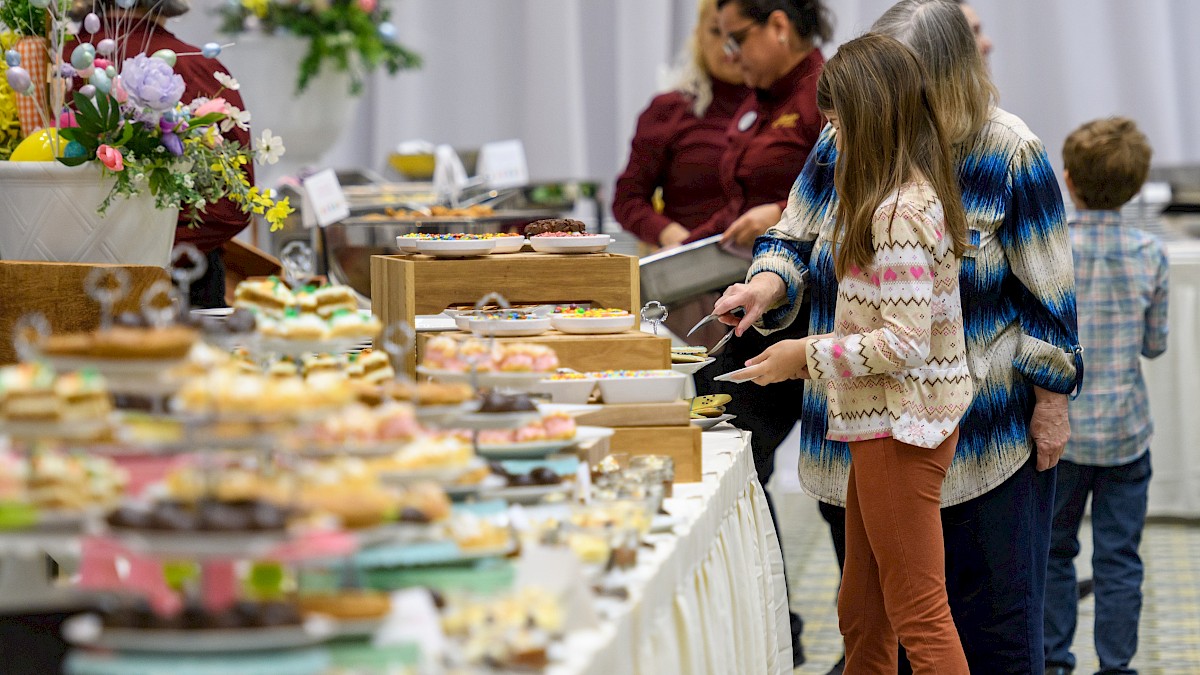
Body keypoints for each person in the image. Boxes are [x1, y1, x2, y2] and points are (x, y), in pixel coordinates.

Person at [712, 1, 1082, 673]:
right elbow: (794, 238)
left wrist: (1051, 402)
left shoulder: (1005, 153)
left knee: (972, 629)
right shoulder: (847, 139)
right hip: (858, 424)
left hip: (975, 440)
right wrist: (767, 283)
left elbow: (1049, 300)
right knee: (869, 611)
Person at [738, 33, 973, 673]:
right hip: (881, 426)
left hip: (902, 427)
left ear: (869, 119)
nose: (830, 138)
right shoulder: (890, 199)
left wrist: (802, 356)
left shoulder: (897, 212)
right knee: (862, 611)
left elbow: (903, 341)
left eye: (838, 123)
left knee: (918, 616)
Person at [689, 1, 832, 667]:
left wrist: (776, 213)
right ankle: (770, 613)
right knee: (720, 436)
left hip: (819, 318)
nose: (730, 51)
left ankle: (856, 639)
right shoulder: (757, 100)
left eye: (738, 36)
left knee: (837, 489)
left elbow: (842, 196)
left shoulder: (821, 98)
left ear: (780, 24)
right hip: (763, 304)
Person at [1044, 117, 1169, 675]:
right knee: (1120, 559)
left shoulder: (1053, 249)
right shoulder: (1150, 252)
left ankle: (1052, 660)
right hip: (1125, 433)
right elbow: (1154, 344)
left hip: (1061, 434)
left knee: (1053, 554)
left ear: (1067, 180)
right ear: (1138, 186)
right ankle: (1117, 666)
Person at [68, 0, 254, 309]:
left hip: (47, 281)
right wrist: (147, 251)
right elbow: (231, 204)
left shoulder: (48, 66)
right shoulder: (198, 67)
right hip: (178, 290)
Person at [612, 0, 749, 250]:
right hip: (692, 270)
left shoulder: (785, 109)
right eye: (716, 31)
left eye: (737, 34)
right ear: (698, 34)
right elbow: (627, 199)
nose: (728, 45)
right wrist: (671, 235)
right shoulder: (668, 110)